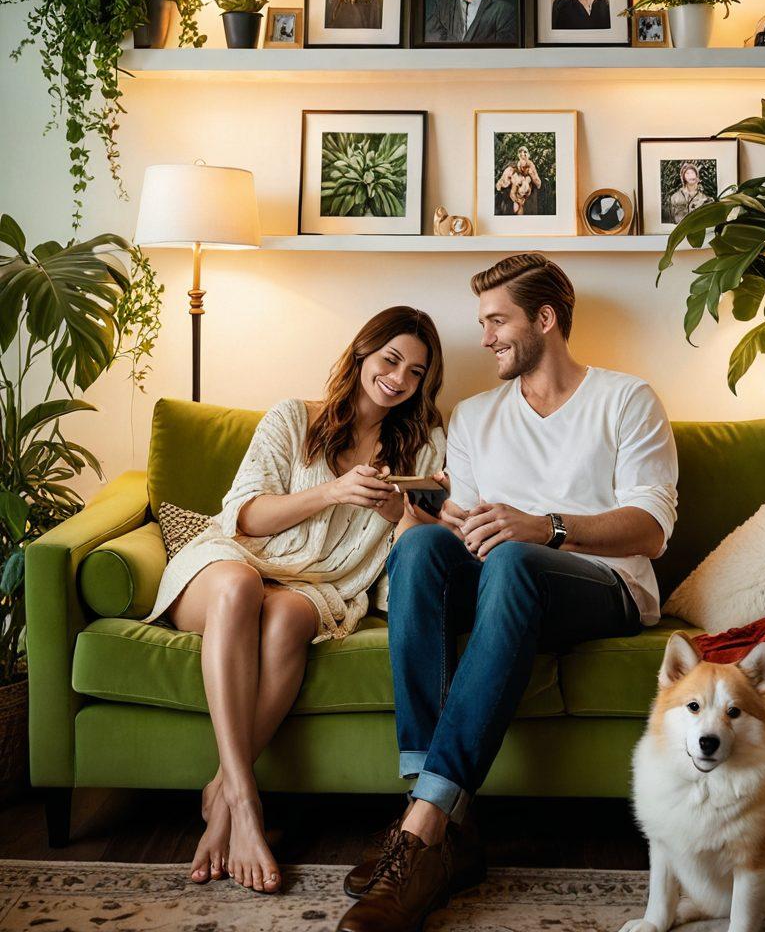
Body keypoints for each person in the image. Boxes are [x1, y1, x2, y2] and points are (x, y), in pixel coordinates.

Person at [337, 254, 678, 932]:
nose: (485, 337)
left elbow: (653, 531)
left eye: (497, 321)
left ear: (545, 319)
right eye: (483, 322)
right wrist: (449, 525)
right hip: (504, 585)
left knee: (517, 560)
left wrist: (545, 527)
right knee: (423, 544)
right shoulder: (472, 416)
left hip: (605, 588)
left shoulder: (626, 399)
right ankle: (440, 828)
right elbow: (462, 535)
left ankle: (422, 826)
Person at [144, 307, 445, 895]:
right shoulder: (292, 418)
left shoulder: (423, 447)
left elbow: (414, 549)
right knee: (242, 586)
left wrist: (395, 513)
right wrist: (332, 492)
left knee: (284, 617)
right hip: (229, 564)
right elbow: (245, 514)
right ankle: (243, 803)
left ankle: (220, 790)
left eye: (414, 371)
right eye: (390, 359)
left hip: (318, 587)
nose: (398, 378)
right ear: (362, 353)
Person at [496, 145, 542, 215]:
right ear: (518, 155)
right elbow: (499, 186)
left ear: (528, 155)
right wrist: (507, 181)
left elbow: (538, 184)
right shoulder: (511, 170)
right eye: (521, 152)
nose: (523, 154)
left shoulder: (531, 167)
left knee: (526, 179)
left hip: (525, 199)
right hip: (513, 198)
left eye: (525, 152)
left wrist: (531, 174)